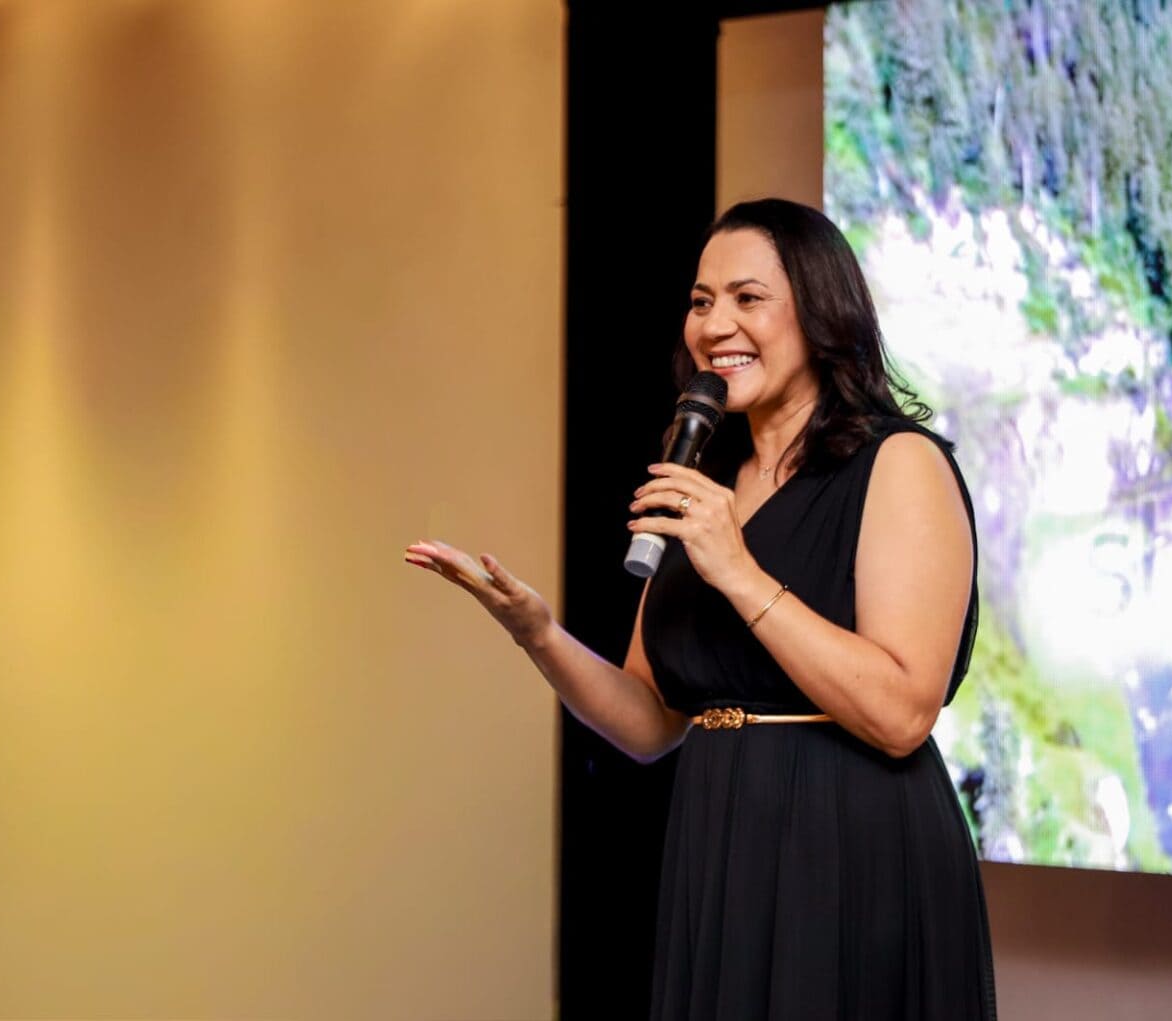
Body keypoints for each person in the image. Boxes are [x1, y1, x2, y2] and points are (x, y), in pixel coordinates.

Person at [404, 198, 996, 1020]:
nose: (715, 325)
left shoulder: (898, 463)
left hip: (851, 848)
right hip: (720, 844)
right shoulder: (706, 478)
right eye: (700, 300)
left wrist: (739, 571)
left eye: (748, 298)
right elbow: (651, 721)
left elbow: (902, 713)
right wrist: (537, 632)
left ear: (821, 312)